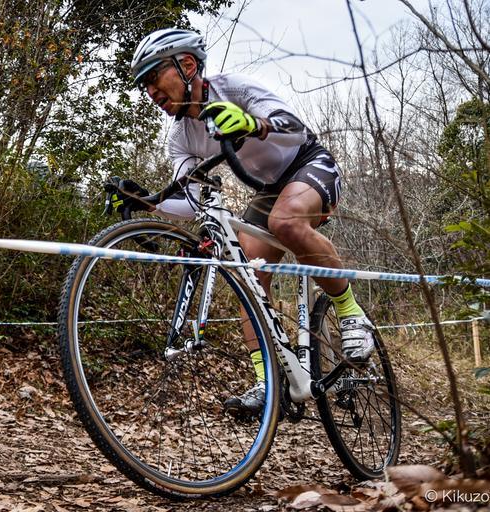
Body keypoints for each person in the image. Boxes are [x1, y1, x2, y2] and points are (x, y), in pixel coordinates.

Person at [122, 27, 375, 414]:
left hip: (308, 164)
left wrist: (253, 123)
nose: (151, 91)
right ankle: (269, 381)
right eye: (145, 85)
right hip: (269, 189)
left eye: (154, 77)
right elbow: (193, 200)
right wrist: (147, 203)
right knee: (248, 276)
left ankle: (350, 312)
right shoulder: (181, 138)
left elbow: (294, 128)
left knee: (285, 222)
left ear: (187, 64)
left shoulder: (233, 88)